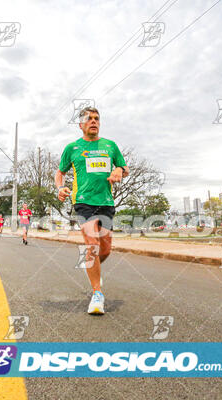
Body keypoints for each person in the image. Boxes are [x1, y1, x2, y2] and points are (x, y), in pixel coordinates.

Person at [55, 106, 129, 315]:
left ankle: (93, 269)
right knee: (92, 243)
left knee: (105, 249)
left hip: (106, 202)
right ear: (81, 125)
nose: (94, 121)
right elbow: (59, 173)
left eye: (97, 118)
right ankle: (97, 293)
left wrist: (118, 170)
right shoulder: (72, 148)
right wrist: (60, 188)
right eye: (89, 119)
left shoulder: (110, 146)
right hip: (83, 201)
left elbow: (125, 169)